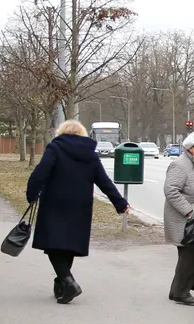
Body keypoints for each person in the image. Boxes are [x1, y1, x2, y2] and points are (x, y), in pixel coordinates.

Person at [25, 119, 129, 304]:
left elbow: (40, 173)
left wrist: (32, 194)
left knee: (53, 243)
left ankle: (68, 282)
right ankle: (62, 284)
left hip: (55, 202)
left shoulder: (55, 148)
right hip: (80, 205)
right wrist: (120, 203)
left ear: (61, 133)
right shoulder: (90, 154)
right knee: (69, 243)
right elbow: (104, 181)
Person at [164, 131, 194, 305]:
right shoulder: (180, 165)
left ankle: (177, 290)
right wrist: (189, 211)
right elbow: (171, 190)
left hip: (192, 219)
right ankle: (181, 293)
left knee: (188, 255)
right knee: (188, 256)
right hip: (183, 220)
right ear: (192, 148)